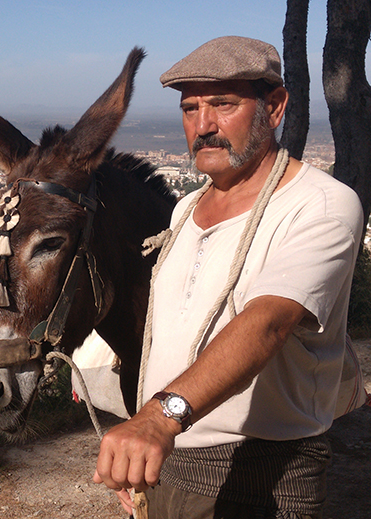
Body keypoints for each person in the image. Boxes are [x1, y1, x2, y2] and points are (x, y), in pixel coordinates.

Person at [92, 36, 365, 518]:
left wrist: (158, 420)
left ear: (275, 107)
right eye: (190, 108)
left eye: (223, 104)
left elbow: (268, 322)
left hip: (265, 478)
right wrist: (141, 444)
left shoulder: (320, 204)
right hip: (169, 466)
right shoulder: (184, 210)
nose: (204, 125)